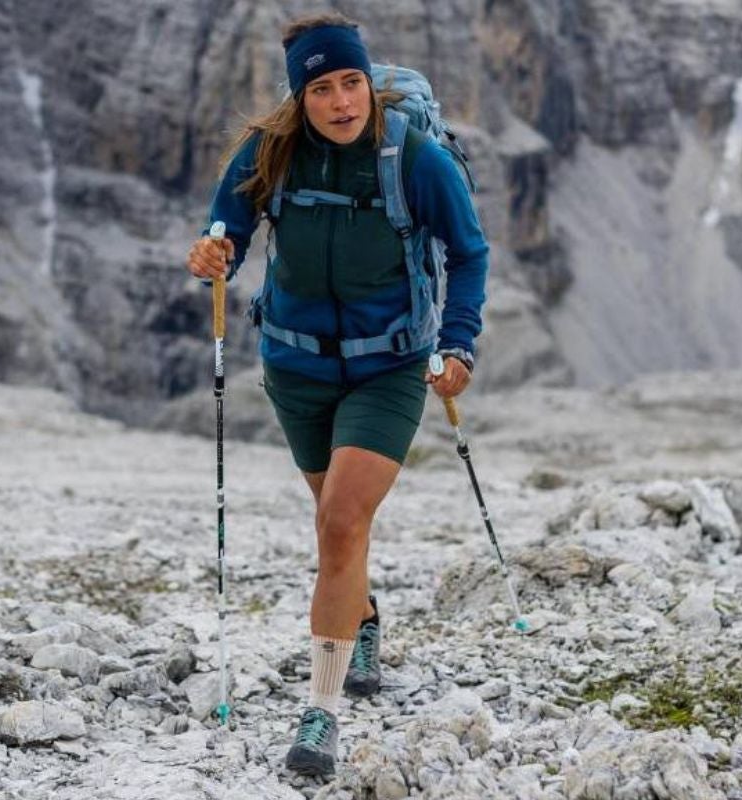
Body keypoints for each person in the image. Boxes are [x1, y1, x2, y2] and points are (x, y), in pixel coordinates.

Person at [183, 13, 490, 780]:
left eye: (352, 82)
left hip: (389, 368)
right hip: (296, 370)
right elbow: (227, 226)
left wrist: (458, 343)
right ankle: (367, 618)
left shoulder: (414, 159)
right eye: (323, 88)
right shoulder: (270, 152)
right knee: (337, 528)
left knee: (341, 522)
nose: (344, 101)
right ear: (301, 96)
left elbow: (469, 252)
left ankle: (319, 713)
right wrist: (212, 250)